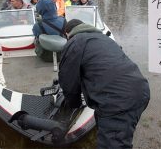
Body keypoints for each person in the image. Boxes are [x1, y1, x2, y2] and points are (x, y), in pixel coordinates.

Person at [58, 19, 150, 149]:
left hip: (117, 101)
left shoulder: (74, 42)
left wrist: (73, 105)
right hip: (141, 89)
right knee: (118, 134)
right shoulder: (104, 39)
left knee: (113, 144)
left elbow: (68, 81)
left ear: (68, 33)